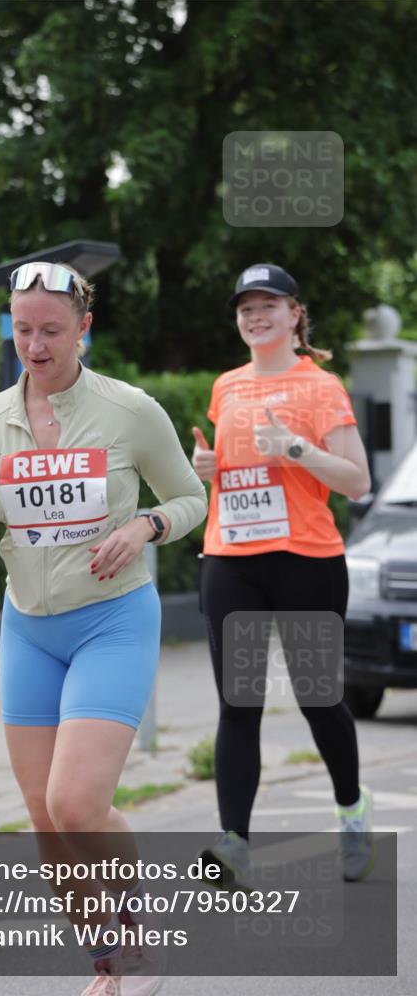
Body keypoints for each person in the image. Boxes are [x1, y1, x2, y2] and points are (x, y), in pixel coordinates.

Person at [0, 260, 207, 995]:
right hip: (27, 627)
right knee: (46, 825)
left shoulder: (130, 410)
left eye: (50, 330)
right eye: (22, 329)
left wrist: (147, 525)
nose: (34, 344)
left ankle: (138, 931)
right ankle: (108, 965)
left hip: (112, 621)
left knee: (76, 804)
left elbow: (192, 498)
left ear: (83, 329)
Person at [192, 263, 375, 886]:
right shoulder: (226, 388)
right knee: (238, 703)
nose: (255, 314)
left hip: (307, 560)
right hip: (232, 559)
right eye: (245, 306)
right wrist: (206, 468)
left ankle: (352, 809)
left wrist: (294, 447)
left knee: (319, 698)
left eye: (268, 303)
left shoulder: (321, 387)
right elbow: (233, 473)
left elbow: (357, 481)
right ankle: (234, 841)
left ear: (296, 314)